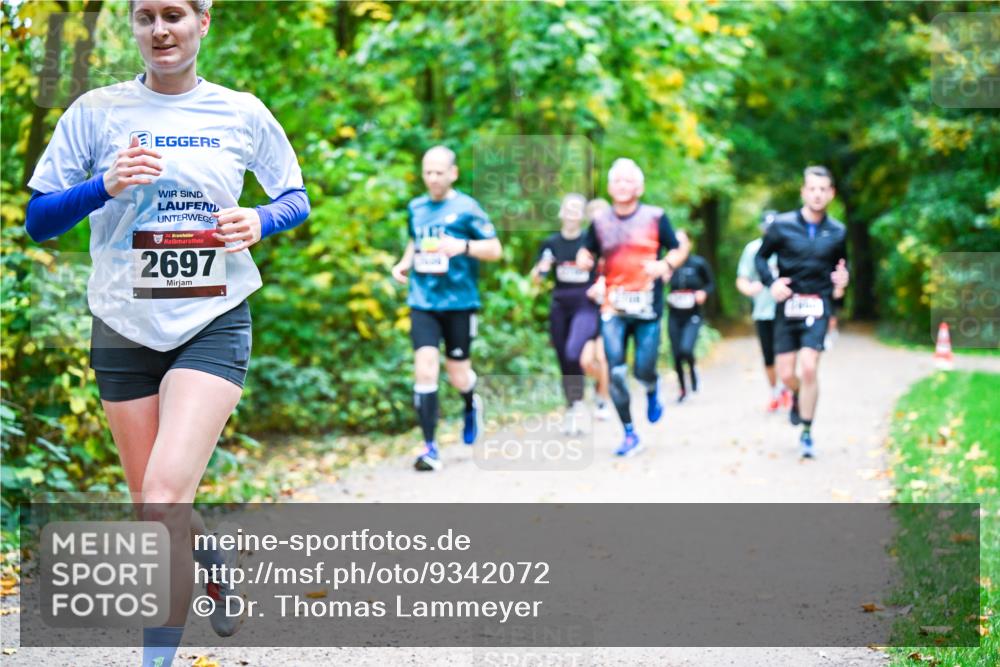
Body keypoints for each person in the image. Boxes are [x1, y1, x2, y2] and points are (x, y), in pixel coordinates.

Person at [24, 1, 310, 663]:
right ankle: (210, 557)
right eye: (145, 16)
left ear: (203, 22)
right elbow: (39, 221)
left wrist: (261, 221)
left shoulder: (240, 112)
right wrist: (103, 185)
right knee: (154, 505)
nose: (160, 29)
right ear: (132, 25)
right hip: (123, 325)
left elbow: (294, 197)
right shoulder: (96, 112)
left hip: (212, 319)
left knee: (159, 505)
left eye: (174, 14)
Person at [391, 146, 502, 471]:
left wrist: (463, 246)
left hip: (459, 303)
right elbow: (415, 241)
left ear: (453, 173)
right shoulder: (416, 207)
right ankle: (430, 448)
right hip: (423, 301)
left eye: (439, 172)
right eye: (428, 172)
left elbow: (495, 249)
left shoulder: (468, 208)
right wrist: (404, 263)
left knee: (458, 375)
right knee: (425, 369)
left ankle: (470, 402)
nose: (433, 178)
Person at [577, 159, 688, 457]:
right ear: (610, 187)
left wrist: (665, 264)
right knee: (614, 371)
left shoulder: (655, 217)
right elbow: (587, 252)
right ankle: (629, 432)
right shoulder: (600, 221)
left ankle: (651, 387)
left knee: (643, 369)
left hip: (647, 307)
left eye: (629, 181)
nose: (623, 186)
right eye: (617, 180)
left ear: (639, 187)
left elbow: (678, 248)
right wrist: (584, 260)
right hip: (613, 306)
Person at [754, 166, 849, 458]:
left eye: (823, 189)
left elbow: (842, 266)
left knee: (809, 367)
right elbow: (760, 258)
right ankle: (796, 395)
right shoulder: (781, 225)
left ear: (831, 194)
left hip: (818, 306)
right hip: (788, 306)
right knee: (786, 374)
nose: (817, 194)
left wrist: (843, 280)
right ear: (803, 192)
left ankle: (806, 432)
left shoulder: (838, 231)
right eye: (812, 189)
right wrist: (772, 283)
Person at [531, 193, 608, 433]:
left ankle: (586, 399)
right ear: (561, 212)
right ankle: (574, 405)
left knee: (574, 351)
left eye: (577, 208)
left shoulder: (590, 241)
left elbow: (607, 268)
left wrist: (601, 284)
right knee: (563, 357)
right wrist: (541, 269)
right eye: (568, 207)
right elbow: (536, 278)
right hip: (560, 304)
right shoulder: (550, 243)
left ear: (583, 215)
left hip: (585, 303)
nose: (572, 212)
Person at [736, 210, 792, 412]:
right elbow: (742, 279)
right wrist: (750, 289)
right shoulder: (753, 250)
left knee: (786, 353)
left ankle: (787, 390)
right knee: (768, 356)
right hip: (762, 311)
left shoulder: (789, 245)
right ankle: (775, 392)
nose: (770, 231)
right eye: (767, 228)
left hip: (787, 310)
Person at [666, 230, 715, 403]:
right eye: (676, 242)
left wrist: (703, 293)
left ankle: (693, 370)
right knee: (676, 353)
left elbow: (711, 284)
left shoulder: (698, 264)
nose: (679, 246)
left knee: (686, 349)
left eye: (682, 242)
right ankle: (682, 389)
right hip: (674, 315)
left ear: (689, 244)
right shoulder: (668, 265)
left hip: (693, 315)